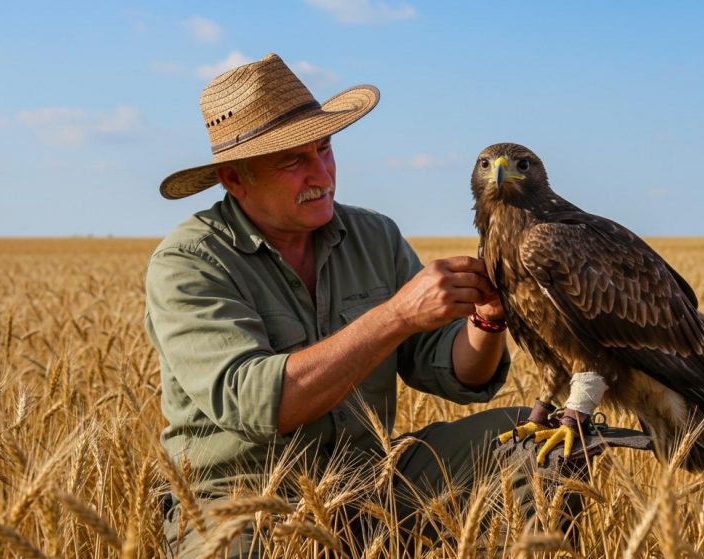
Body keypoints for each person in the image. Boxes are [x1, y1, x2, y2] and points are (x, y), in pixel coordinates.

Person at [145, 53, 526, 557]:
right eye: (292, 161)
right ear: (235, 179)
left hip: (373, 482)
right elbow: (263, 403)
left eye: (324, 149)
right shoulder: (188, 263)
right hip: (241, 503)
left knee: (534, 444)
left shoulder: (374, 235)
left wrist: (487, 320)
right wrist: (395, 316)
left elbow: (454, 371)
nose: (321, 173)